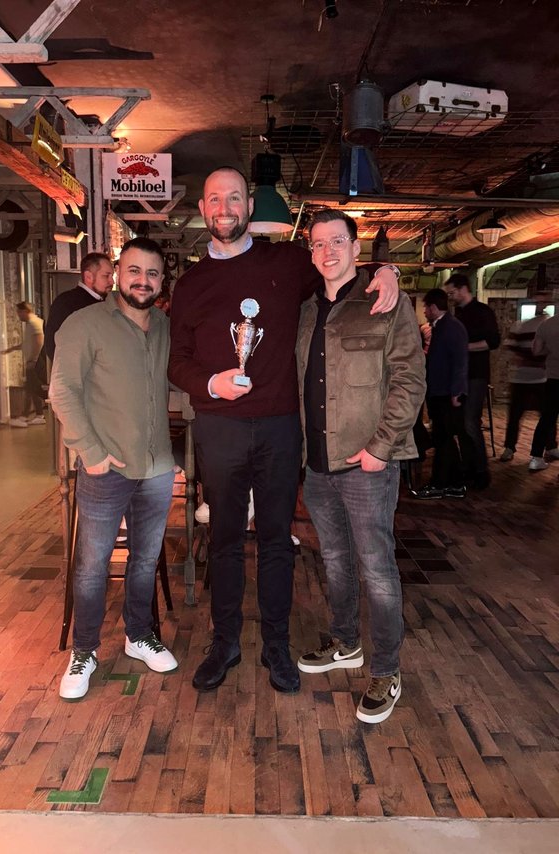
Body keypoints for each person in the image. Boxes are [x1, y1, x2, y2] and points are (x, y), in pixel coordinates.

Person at [168, 166, 399, 694]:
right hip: (219, 428)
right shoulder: (191, 283)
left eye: (233, 198)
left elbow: (340, 267)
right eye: (214, 199)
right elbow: (176, 362)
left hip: (278, 428)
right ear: (202, 209)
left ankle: (276, 643)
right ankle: (225, 642)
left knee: (276, 540)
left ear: (249, 206)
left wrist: (386, 270)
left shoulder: (288, 262)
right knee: (224, 539)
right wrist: (210, 383)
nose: (224, 208)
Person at [295, 210, 425, 723]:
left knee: (377, 568)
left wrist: (382, 447)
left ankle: (387, 669)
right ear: (310, 252)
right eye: (318, 243)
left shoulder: (385, 301)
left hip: (368, 464)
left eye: (337, 241)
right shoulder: (306, 310)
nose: (327, 251)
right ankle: (345, 642)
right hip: (318, 464)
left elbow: (409, 379)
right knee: (334, 560)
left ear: (355, 247)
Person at [49, 237, 178, 701]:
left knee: (144, 560)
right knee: (92, 566)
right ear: (118, 273)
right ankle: (84, 651)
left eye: (152, 273)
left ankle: (138, 634)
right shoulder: (84, 324)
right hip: (106, 469)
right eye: (134, 271)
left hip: (157, 467)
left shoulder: (164, 326)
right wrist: (91, 452)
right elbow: (62, 391)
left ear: (161, 282)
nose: (143, 280)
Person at [445, 273, 500, 489]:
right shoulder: (458, 314)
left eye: (452, 293)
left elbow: (493, 341)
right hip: (461, 375)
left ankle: (481, 470)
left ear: (463, 289)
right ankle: (468, 466)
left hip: (476, 374)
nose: (450, 297)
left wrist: (463, 348)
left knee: (470, 422)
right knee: (460, 423)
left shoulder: (483, 311)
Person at [412, 288, 468, 500]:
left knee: (443, 439)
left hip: (445, 392)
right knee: (444, 438)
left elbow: (460, 361)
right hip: (439, 391)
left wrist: (457, 391)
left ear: (434, 307)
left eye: (426, 307)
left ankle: (439, 483)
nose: (425, 311)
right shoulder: (442, 326)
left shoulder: (451, 327)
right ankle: (455, 483)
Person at [501, 303, 557, 463]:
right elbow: (512, 350)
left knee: (547, 415)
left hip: (541, 378)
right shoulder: (521, 325)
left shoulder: (547, 325)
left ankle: (550, 447)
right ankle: (510, 447)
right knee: (516, 415)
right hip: (522, 378)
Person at [44, 252, 115, 362]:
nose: (112, 281)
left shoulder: (106, 302)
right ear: (88, 277)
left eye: (112, 276)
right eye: (106, 276)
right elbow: (53, 347)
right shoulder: (66, 303)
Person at [5, 301, 45, 427]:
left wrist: (33, 359)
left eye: (19, 313)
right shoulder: (30, 324)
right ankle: (37, 415)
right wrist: (12, 349)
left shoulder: (34, 323)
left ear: (25, 311)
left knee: (31, 388)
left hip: (34, 362)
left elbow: (39, 340)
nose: (18, 316)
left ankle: (26, 416)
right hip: (33, 361)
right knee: (31, 389)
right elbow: (28, 343)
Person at [529, 312, 559, 472]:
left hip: (553, 378)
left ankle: (536, 458)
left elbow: (536, 350)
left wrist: (550, 350)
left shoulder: (547, 324)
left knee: (547, 418)